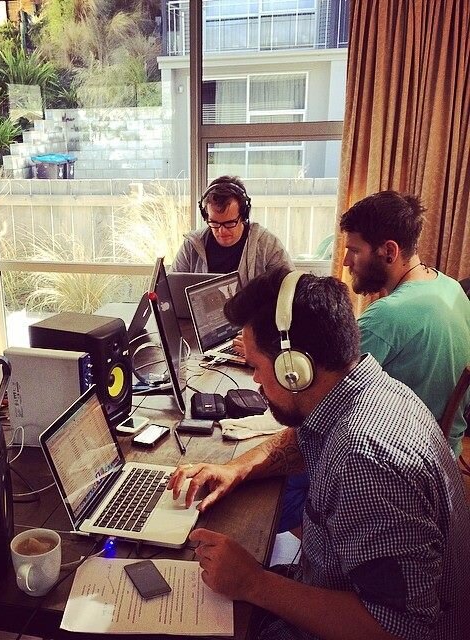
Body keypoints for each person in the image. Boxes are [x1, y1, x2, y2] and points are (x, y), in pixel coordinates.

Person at [168, 268, 470, 640]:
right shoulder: (370, 390)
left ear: (293, 369)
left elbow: (400, 630)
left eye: (257, 367)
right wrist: (236, 469)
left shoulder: (364, 460)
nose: (256, 381)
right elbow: (302, 440)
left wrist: (253, 583)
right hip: (332, 585)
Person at [340, 190, 470, 457]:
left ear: (389, 251)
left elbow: (329, 399)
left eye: (354, 250)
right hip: (445, 451)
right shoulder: (451, 287)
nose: (346, 262)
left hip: (401, 459)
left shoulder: (386, 315)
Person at [171, 175, 293, 286]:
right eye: (214, 223)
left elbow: (291, 288)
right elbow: (172, 288)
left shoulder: (267, 245)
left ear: (243, 216)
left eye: (229, 223)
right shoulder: (191, 246)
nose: (221, 231)